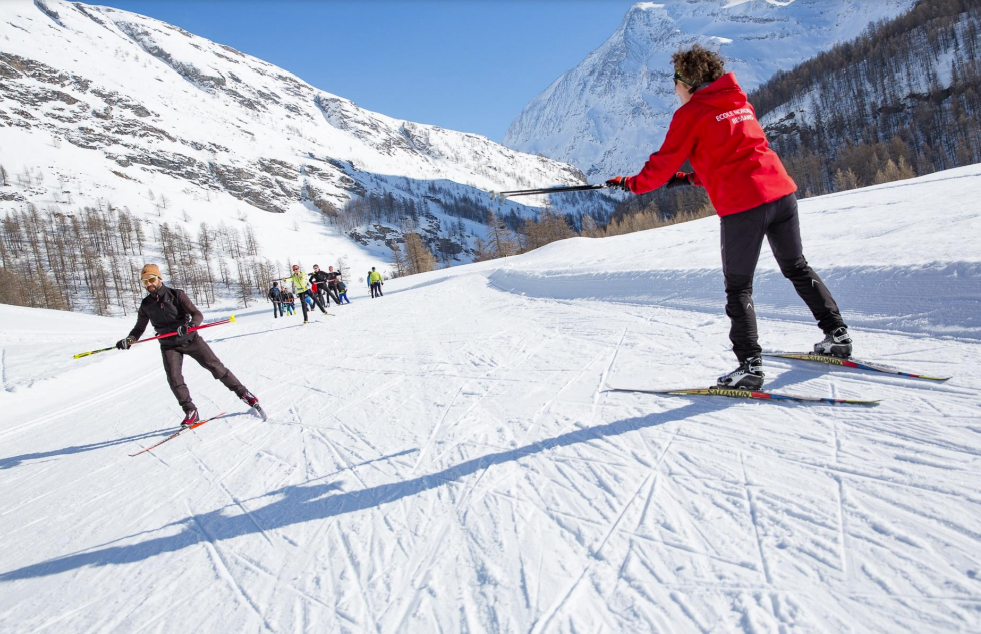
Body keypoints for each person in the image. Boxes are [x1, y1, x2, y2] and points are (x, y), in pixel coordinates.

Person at [606, 44, 850, 390]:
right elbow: (734, 152)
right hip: (781, 193)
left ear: (688, 82)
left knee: (738, 288)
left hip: (744, 207)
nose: (673, 89)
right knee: (796, 266)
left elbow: (660, 167)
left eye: (675, 81)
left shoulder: (690, 114)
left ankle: (749, 367)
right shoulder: (738, 102)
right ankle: (837, 334)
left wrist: (631, 184)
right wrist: (690, 177)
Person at [116, 264, 261, 428]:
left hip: (190, 339)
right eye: (144, 281)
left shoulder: (176, 295)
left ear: (159, 278)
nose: (148, 284)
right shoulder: (146, 304)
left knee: (216, 367)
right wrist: (130, 339)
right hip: (168, 345)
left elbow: (197, 314)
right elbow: (139, 328)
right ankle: (190, 411)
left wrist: (190, 325)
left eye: (151, 279)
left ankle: (244, 394)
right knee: (174, 379)